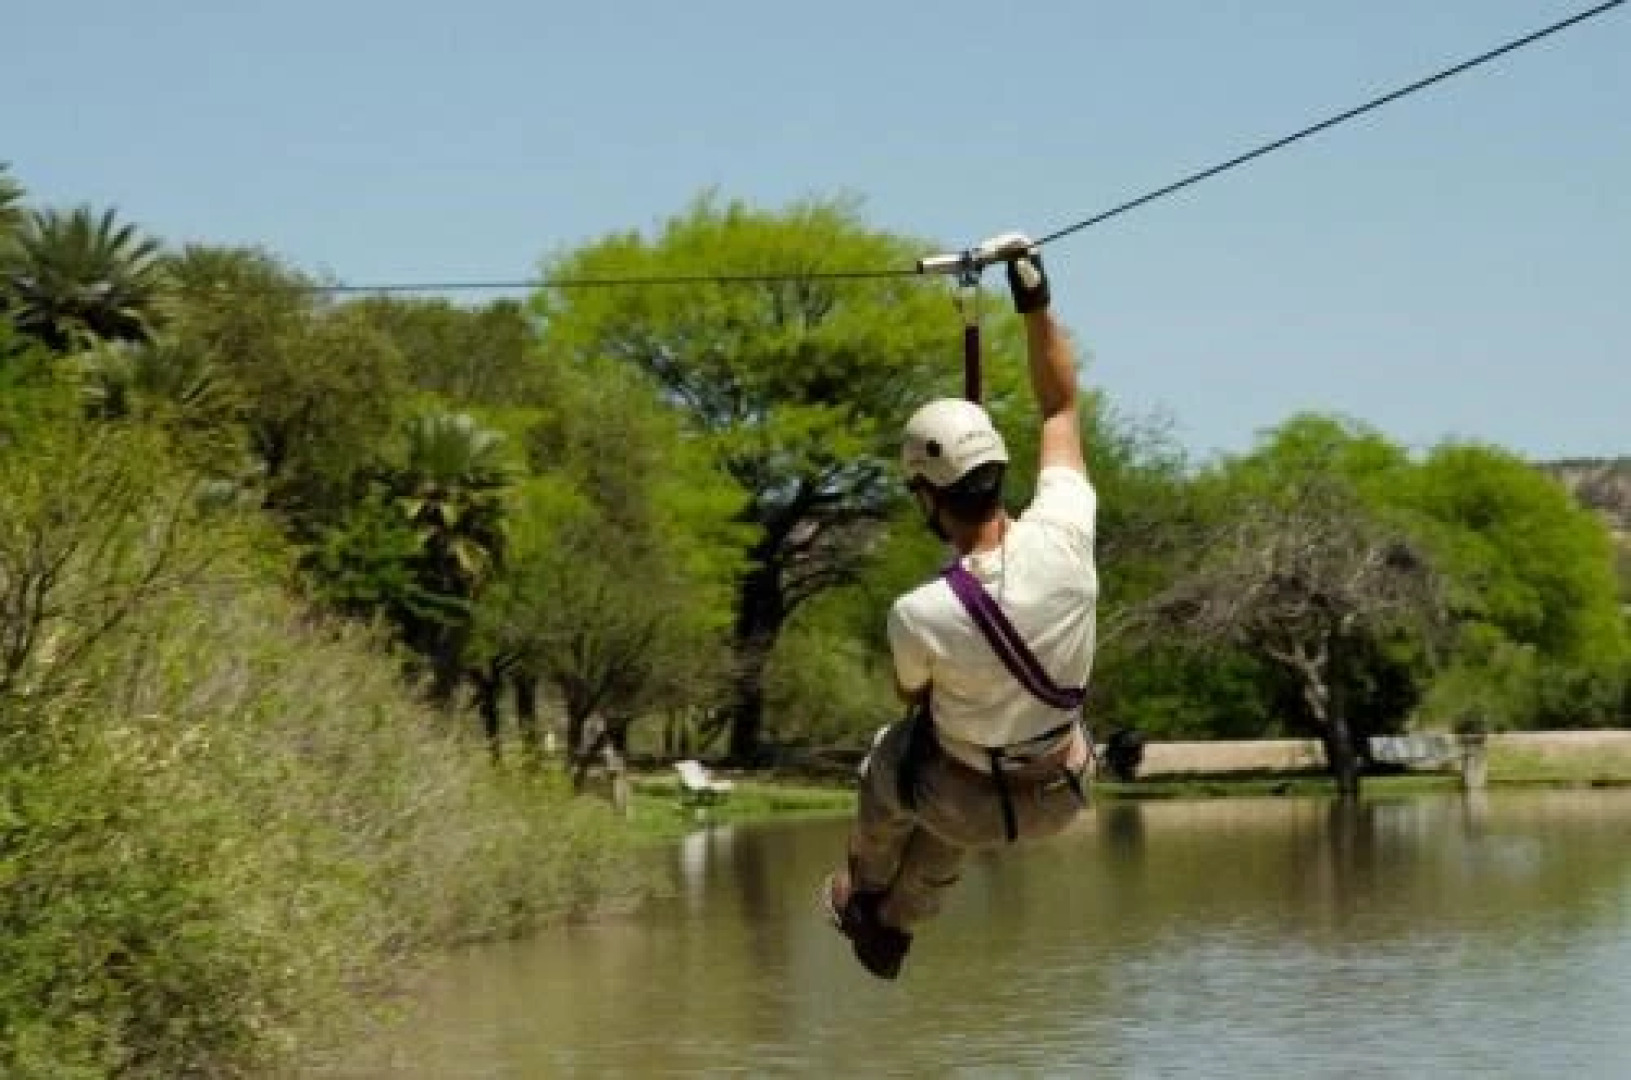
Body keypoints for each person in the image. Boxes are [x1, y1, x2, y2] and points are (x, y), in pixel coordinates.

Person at [821, 235, 1099, 981]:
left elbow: (913, 697)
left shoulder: (919, 612)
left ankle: (868, 903)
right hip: (1064, 789)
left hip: (966, 804)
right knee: (954, 772)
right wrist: (1033, 296)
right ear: (996, 470)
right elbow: (1059, 403)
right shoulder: (1069, 534)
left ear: (925, 494)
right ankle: (896, 923)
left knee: (896, 763)